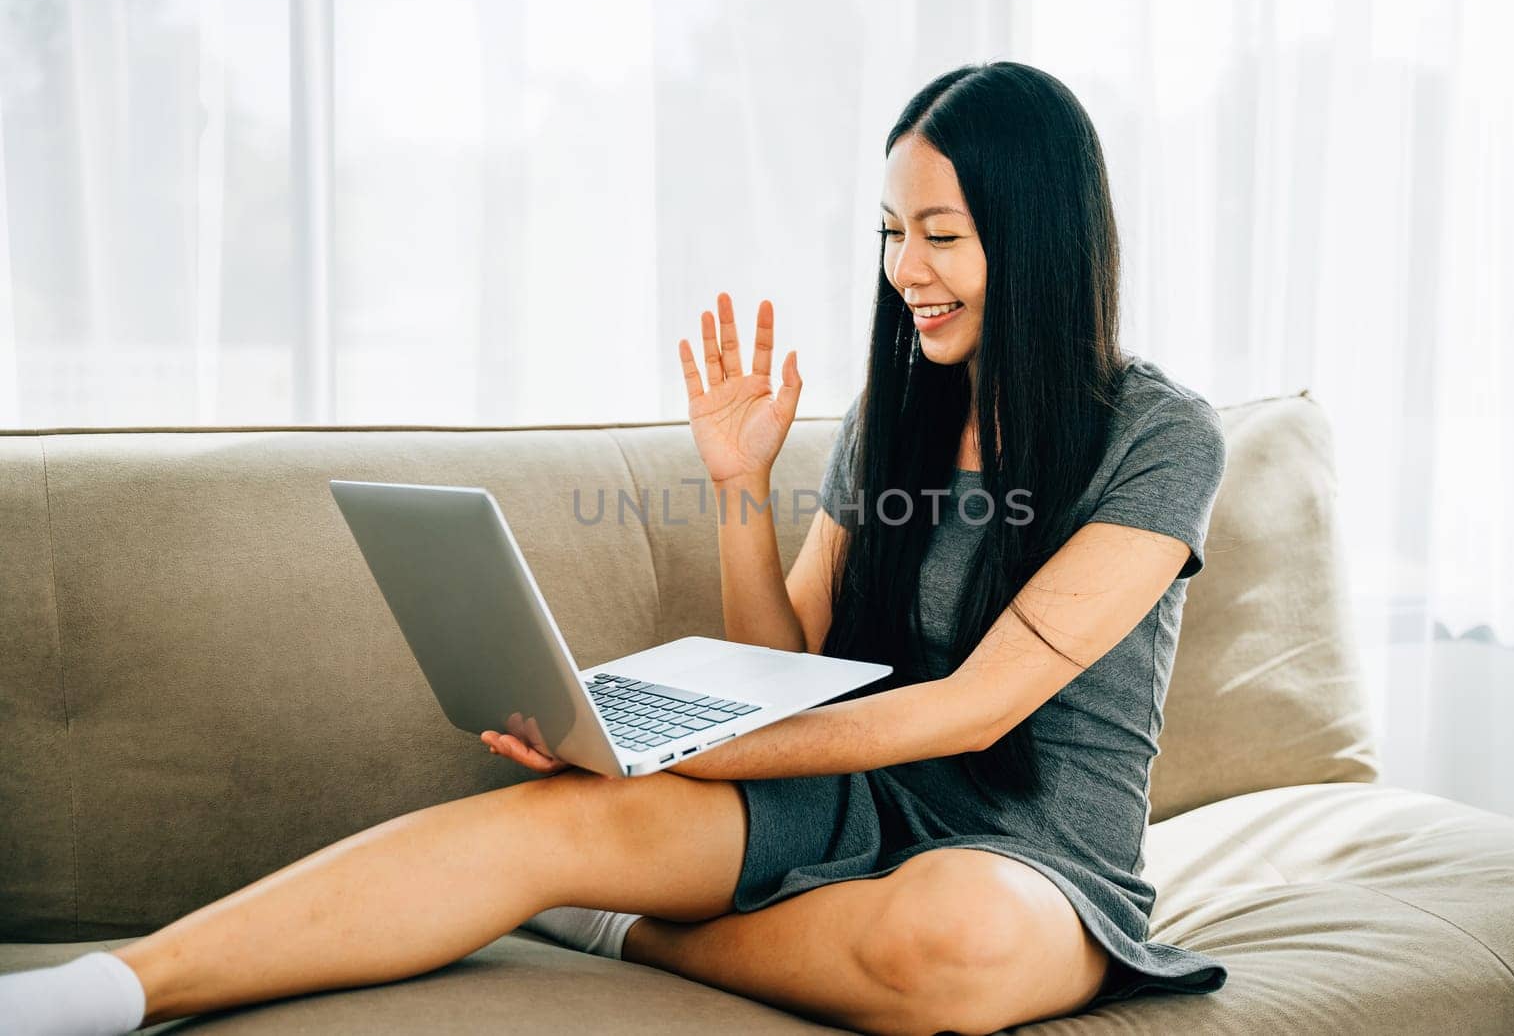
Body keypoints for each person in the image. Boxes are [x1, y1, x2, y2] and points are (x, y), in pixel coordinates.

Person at [0, 59, 1227, 1036]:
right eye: (888, 231)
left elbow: (973, 707)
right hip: (853, 802)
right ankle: (107, 988)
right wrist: (738, 489)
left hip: (1039, 858)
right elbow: (786, 654)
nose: (904, 270)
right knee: (541, 821)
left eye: (940, 235)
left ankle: (625, 926)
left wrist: (691, 749)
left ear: (1039, 239)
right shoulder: (896, 413)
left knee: (952, 942)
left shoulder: (1159, 438)